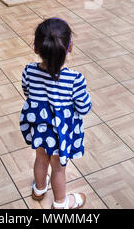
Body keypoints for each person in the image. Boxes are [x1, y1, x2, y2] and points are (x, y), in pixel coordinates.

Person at [20, 18, 91, 209]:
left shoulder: (29, 71)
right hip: (60, 134)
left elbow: (27, 92)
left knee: (40, 158)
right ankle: (60, 204)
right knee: (58, 168)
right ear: (70, 48)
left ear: (36, 48)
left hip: (40, 129)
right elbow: (84, 107)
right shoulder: (75, 79)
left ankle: (39, 189)